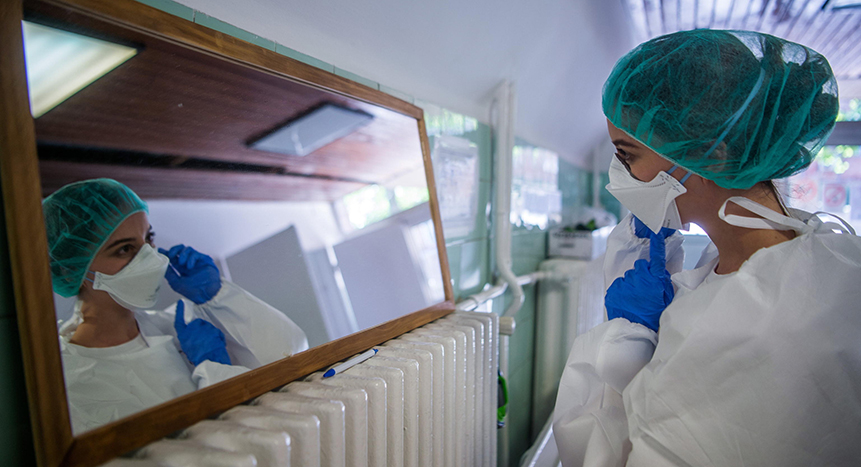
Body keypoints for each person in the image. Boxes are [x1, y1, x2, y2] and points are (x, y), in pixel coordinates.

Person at [553, 29, 861, 466]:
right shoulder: (832, 256)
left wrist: (623, 348)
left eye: (628, 156)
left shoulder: (746, 329)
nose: (619, 176)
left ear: (713, 155)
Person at [44, 178, 309, 434]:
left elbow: (292, 354)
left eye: (149, 238)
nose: (150, 256)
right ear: (70, 271)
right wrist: (215, 371)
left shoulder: (181, 326)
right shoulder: (74, 386)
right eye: (124, 249)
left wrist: (216, 297)